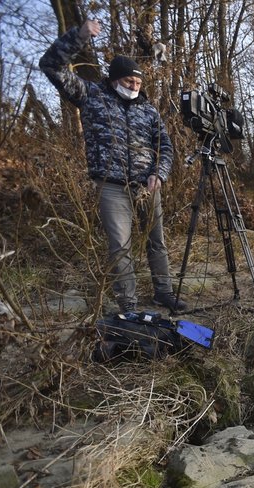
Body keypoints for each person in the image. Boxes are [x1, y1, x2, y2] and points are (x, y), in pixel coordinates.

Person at [39, 18, 186, 313]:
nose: (134, 86)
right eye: (129, 81)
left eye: (139, 82)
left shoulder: (148, 109)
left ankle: (163, 293)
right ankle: (128, 305)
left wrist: (160, 173)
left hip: (148, 185)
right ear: (114, 78)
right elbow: (50, 66)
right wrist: (78, 37)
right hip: (112, 187)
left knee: (156, 242)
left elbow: (165, 146)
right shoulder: (92, 96)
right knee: (120, 247)